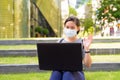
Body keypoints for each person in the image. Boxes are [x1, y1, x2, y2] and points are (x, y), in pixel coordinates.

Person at [50, 16, 92, 80]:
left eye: (72, 28)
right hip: (60, 71)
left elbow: (88, 65)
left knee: (67, 74)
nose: (69, 29)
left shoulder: (82, 42)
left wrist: (86, 49)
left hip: (75, 73)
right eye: (67, 27)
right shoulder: (60, 42)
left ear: (78, 28)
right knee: (56, 73)